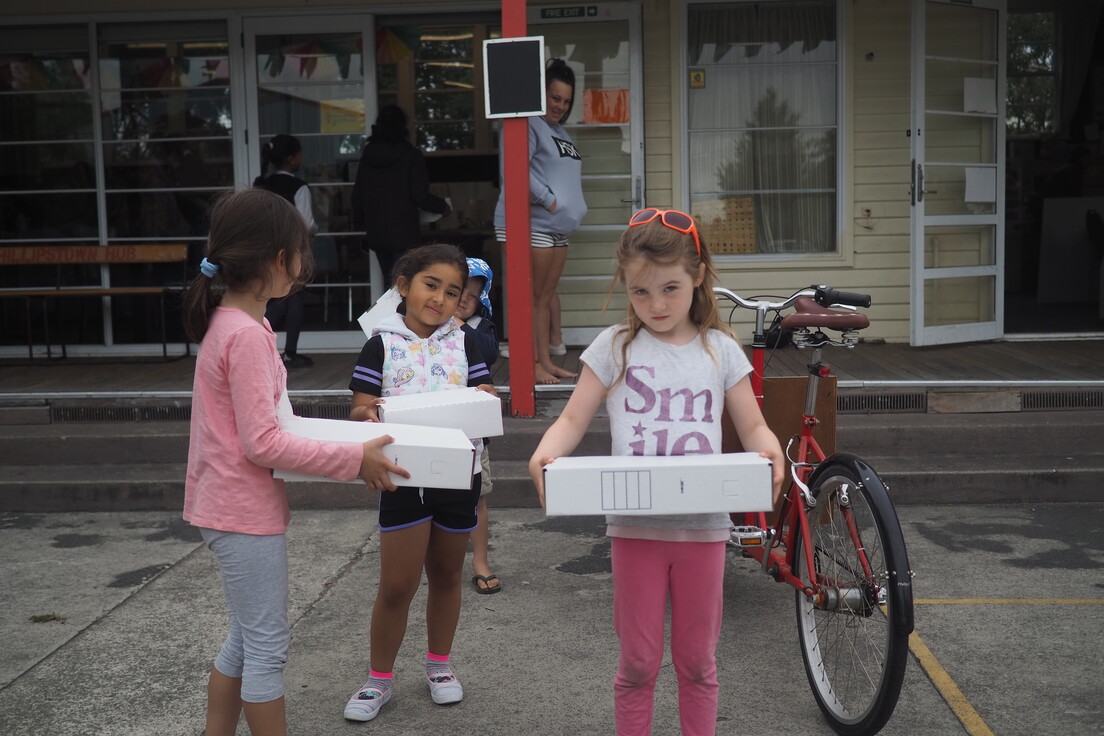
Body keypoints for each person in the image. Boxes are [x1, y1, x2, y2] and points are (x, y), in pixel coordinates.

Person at [528, 209, 785, 736]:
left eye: (670, 288)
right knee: (638, 664)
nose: (657, 305)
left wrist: (771, 451)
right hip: (635, 529)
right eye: (640, 292)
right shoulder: (614, 347)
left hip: (703, 529)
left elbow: (753, 426)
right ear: (624, 284)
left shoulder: (721, 350)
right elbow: (573, 417)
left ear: (698, 276)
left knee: (697, 664)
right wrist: (544, 452)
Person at [181, 188, 409, 736]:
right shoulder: (248, 336)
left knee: (244, 638)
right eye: (300, 251)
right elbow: (263, 443)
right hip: (241, 511)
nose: (304, 264)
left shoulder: (238, 323)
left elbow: (267, 429)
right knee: (266, 646)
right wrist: (354, 459)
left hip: (225, 505)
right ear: (278, 260)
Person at [343, 243, 496, 723]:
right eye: (431, 285)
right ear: (403, 287)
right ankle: (378, 680)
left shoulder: (466, 343)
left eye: (453, 292)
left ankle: (439, 667)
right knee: (397, 584)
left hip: (458, 476)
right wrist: (368, 413)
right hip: (403, 479)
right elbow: (360, 408)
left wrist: (486, 396)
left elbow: (483, 395)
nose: (441, 299)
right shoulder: (381, 345)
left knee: (448, 574)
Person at [493, 58, 587, 385]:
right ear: (540, 94)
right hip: (531, 223)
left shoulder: (558, 130)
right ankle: (531, 363)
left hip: (556, 227)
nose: (560, 106)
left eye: (566, 100)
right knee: (531, 297)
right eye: (554, 97)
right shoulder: (528, 123)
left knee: (544, 298)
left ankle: (545, 361)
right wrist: (551, 201)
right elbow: (514, 171)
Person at [352, 105, 451, 285]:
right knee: (406, 285)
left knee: (390, 284)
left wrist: (360, 226)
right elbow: (420, 195)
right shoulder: (411, 156)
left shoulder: (368, 155)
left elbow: (357, 195)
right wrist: (443, 207)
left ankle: (391, 313)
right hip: (404, 233)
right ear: (403, 127)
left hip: (377, 232)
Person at [455, 257, 501, 594]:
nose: (459, 302)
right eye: (455, 293)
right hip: (429, 428)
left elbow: (487, 354)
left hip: (470, 432)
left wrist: (462, 326)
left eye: (469, 297)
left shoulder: (479, 329)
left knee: (477, 496)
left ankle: (480, 560)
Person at [254, 134, 317, 369]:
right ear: (291, 158)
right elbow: (307, 223)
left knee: (268, 295)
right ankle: (288, 350)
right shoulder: (298, 187)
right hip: (291, 248)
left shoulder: (262, 184)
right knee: (294, 297)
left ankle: (259, 338)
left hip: (264, 248)